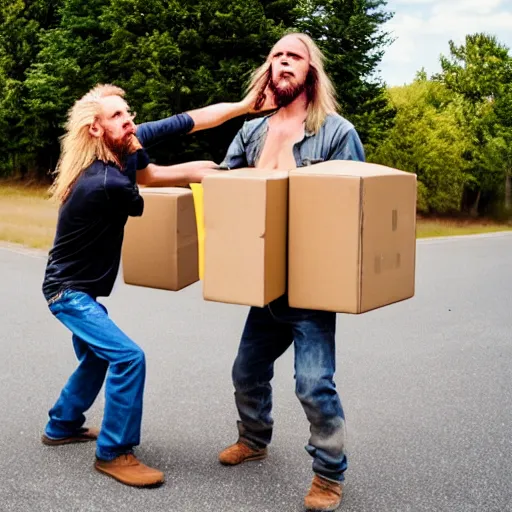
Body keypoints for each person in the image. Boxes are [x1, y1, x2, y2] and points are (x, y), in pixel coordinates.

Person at [41, 83, 273, 488]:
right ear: (95, 130)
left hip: (78, 288)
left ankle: (62, 424)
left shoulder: (119, 147)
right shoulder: (105, 182)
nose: (129, 120)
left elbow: (190, 122)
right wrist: (203, 178)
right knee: (128, 358)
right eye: (117, 116)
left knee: (99, 355)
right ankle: (114, 452)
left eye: (127, 112)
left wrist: (242, 108)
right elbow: (147, 187)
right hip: (68, 293)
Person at [217, 33, 365, 511]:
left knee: (313, 383)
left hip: (310, 285)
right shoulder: (252, 132)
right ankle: (255, 438)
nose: (282, 61)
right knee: (247, 371)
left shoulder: (337, 132)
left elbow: (356, 209)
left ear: (310, 71)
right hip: (265, 283)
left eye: (293, 56)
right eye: (276, 55)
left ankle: (328, 475)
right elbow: (227, 193)